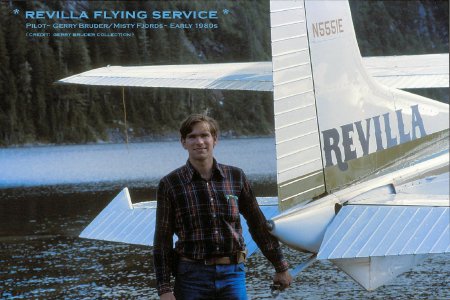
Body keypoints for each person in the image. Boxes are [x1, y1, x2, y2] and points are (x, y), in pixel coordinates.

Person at [153, 114, 292, 300]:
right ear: (183, 142)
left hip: (232, 274)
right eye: (192, 137)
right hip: (190, 277)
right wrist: (164, 289)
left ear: (215, 140)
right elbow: (162, 239)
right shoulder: (170, 184)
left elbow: (257, 224)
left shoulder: (236, 177)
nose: (199, 141)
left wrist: (280, 267)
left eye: (205, 135)